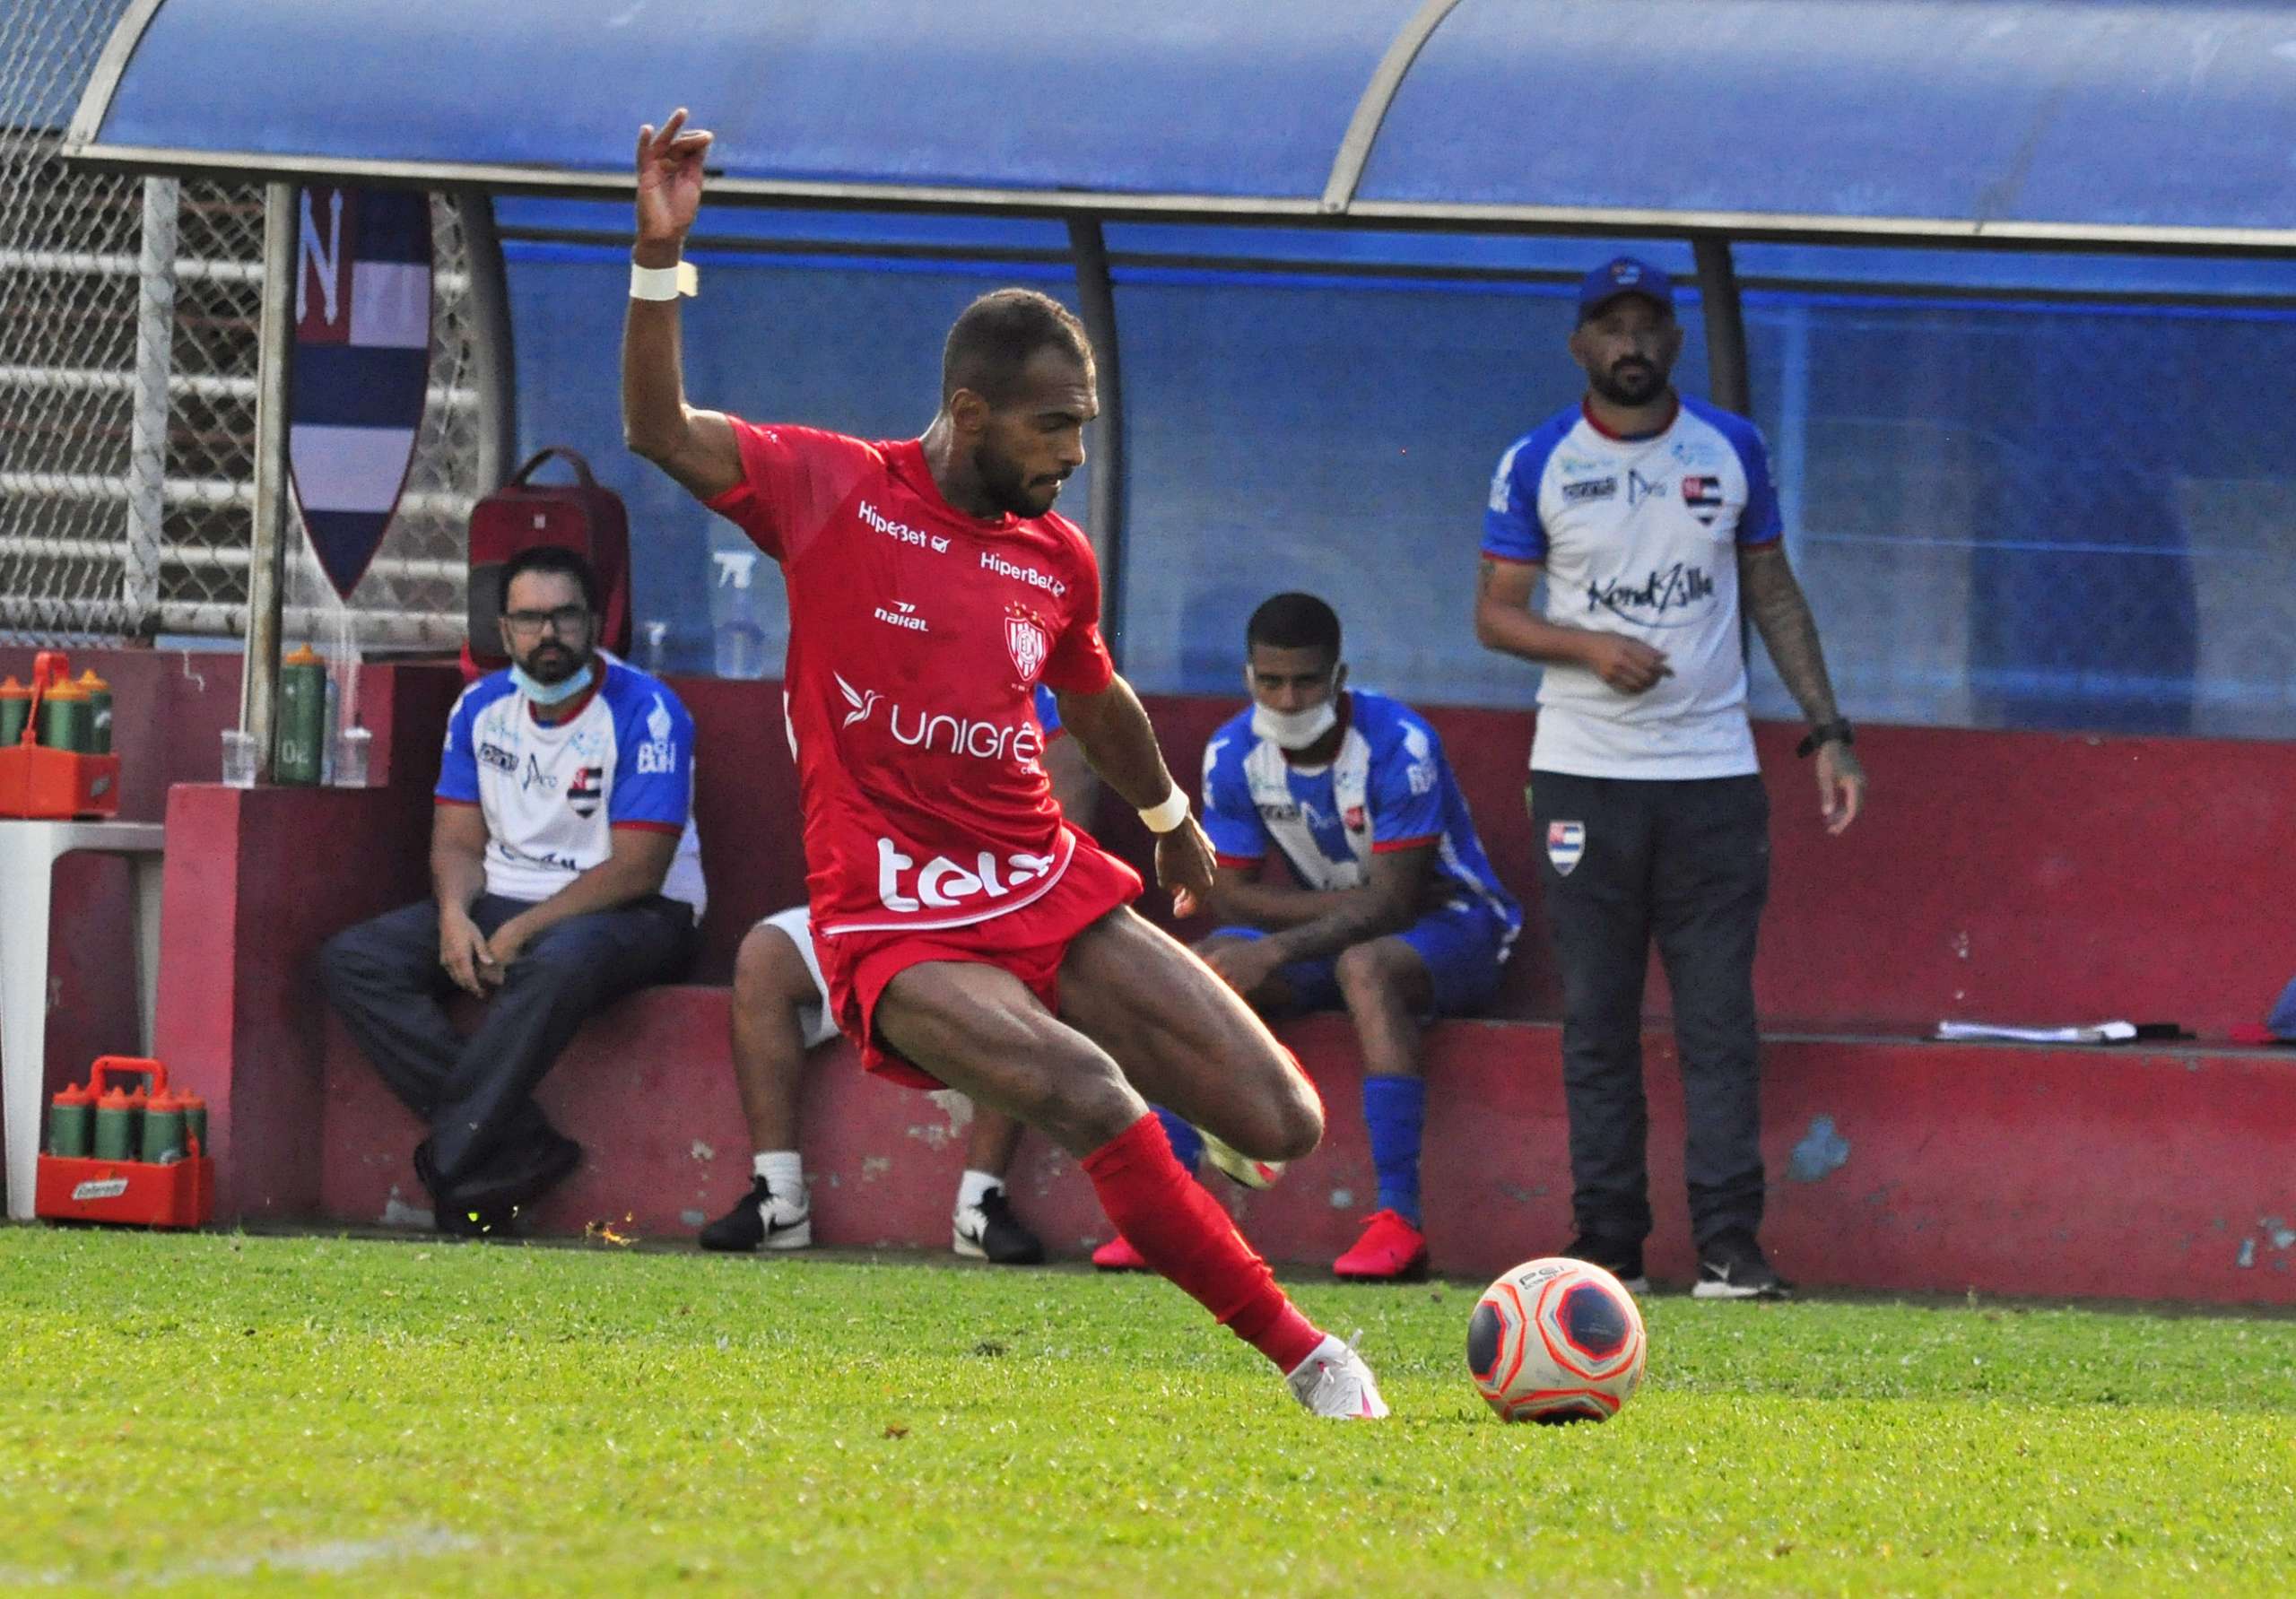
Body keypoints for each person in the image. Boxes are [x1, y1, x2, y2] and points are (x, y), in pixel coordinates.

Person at [622, 109, 1385, 1418]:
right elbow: (658, 427)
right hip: (892, 910)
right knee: (1089, 1093)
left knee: (1287, 1121)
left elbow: (1095, 693)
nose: (1072, 452)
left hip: (1036, 873)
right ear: (969, 411)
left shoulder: (1055, 555)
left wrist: (1164, 817)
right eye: (1050, 427)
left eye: (1082, 425)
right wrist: (658, 255)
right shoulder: (833, 489)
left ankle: (1144, 1121)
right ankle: (1311, 1356)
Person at [1474, 256, 1868, 1300]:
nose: (1630, 344)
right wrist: (1589, 647)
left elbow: (1772, 591)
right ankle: (1607, 1244)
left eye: (1648, 325)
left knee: (1717, 1019)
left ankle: (1729, 1246)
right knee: (1597, 1017)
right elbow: (1495, 612)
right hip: (1582, 773)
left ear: (1675, 342)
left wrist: (1827, 727)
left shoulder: (1729, 449)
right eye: (1610, 327)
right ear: (1579, 346)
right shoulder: (1538, 461)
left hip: (1711, 773)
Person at [1091, 594, 1519, 1282]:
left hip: (1460, 924)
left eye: (1306, 681)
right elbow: (1226, 891)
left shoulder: (1398, 743)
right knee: (1204, 967)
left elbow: (1396, 905)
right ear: (1248, 677)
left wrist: (1283, 940)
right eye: (1271, 681)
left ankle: (1398, 1221)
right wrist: (1336, 909)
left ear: (1339, 676)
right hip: (1343, 928)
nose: (1288, 699)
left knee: (1364, 967)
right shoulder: (1234, 751)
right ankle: (1163, 1210)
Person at [321, 545, 704, 1236]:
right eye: (529, 620)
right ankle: (515, 1143)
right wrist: (453, 915)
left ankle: (452, 1163)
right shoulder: (479, 708)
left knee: (556, 959)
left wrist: (523, 931)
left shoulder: (648, 709)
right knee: (356, 959)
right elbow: (460, 842)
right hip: (511, 895)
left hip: (637, 911)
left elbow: (639, 866)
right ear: (503, 632)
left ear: (594, 623)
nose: (547, 634)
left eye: (563, 616)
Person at [700, 685, 1097, 1264]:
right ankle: (779, 1195)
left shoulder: (1032, 692)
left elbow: (1068, 831)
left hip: (984, 910)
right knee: (767, 956)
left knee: (1029, 966)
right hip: (883, 906)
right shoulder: (865, 679)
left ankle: (979, 1203)